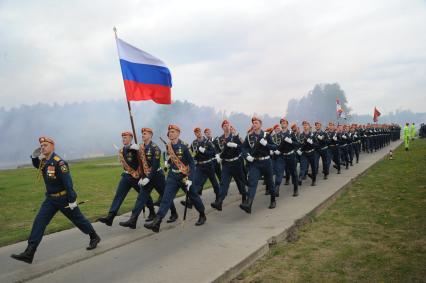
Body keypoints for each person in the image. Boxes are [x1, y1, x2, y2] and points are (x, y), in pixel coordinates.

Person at [11, 137, 100, 264]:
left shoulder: (60, 163)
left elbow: (68, 183)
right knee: (39, 222)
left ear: (52, 146)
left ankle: (94, 236)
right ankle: (29, 252)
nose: (43, 147)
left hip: (64, 198)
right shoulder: (44, 162)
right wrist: (34, 156)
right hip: (50, 200)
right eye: (41, 145)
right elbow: (37, 165)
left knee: (78, 219)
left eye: (45, 145)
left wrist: (72, 199)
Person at [144, 125, 206, 233]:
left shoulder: (185, 146)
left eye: (172, 131)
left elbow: (192, 163)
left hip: (184, 176)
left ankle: (202, 214)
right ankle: (157, 222)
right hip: (172, 177)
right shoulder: (168, 146)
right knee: (166, 198)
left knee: (194, 197)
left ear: (178, 133)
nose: (170, 133)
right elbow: (171, 159)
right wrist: (167, 163)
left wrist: (190, 179)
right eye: (169, 132)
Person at [119, 128, 178, 229]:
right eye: (142, 134)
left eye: (145, 134)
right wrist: (142, 176)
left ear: (150, 135)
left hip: (157, 176)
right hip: (146, 176)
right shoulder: (140, 147)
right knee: (141, 198)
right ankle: (133, 220)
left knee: (164, 196)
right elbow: (140, 163)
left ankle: (174, 213)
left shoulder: (155, 148)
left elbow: (155, 166)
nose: (143, 135)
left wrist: (148, 178)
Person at [97, 132, 155, 226]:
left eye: (125, 137)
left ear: (131, 138)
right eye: (122, 138)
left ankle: (152, 212)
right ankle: (110, 217)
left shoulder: (136, 148)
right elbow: (126, 152)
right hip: (126, 176)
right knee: (118, 195)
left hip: (137, 177)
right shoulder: (122, 150)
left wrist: (143, 175)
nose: (123, 139)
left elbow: (144, 161)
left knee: (144, 196)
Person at [241, 116, 277, 213]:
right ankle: (248, 204)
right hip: (255, 163)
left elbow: (274, 147)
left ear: (260, 124)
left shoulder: (266, 135)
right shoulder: (249, 136)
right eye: (253, 123)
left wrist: (266, 144)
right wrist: (247, 156)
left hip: (266, 162)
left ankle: (273, 200)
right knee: (252, 183)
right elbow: (243, 148)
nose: (254, 124)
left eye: (256, 122)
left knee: (270, 182)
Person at [211, 120, 247, 211]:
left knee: (240, 182)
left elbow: (243, 146)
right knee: (223, 183)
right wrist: (217, 155)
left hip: (236, 163)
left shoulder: (234, 136)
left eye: (228, 125)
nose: (226, 126)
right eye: (224, 125)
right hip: (226, 164)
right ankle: (219, 202)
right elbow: (215, 149)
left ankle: (244, 198)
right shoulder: (220, 139)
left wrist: (236, 139)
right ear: (222, 127)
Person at [278, 120, 300, 196]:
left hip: (291, 155)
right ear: (280, 124)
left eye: (284, 123)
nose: (283, 124)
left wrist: (291, 142)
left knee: (293, 173)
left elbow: (297, 144)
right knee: (279, 172)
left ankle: (295, 189)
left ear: (287, 125)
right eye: (282, 123)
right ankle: (276, 188)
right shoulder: (279, 134)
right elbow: (276, 145)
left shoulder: (291, 133)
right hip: (282, 156)